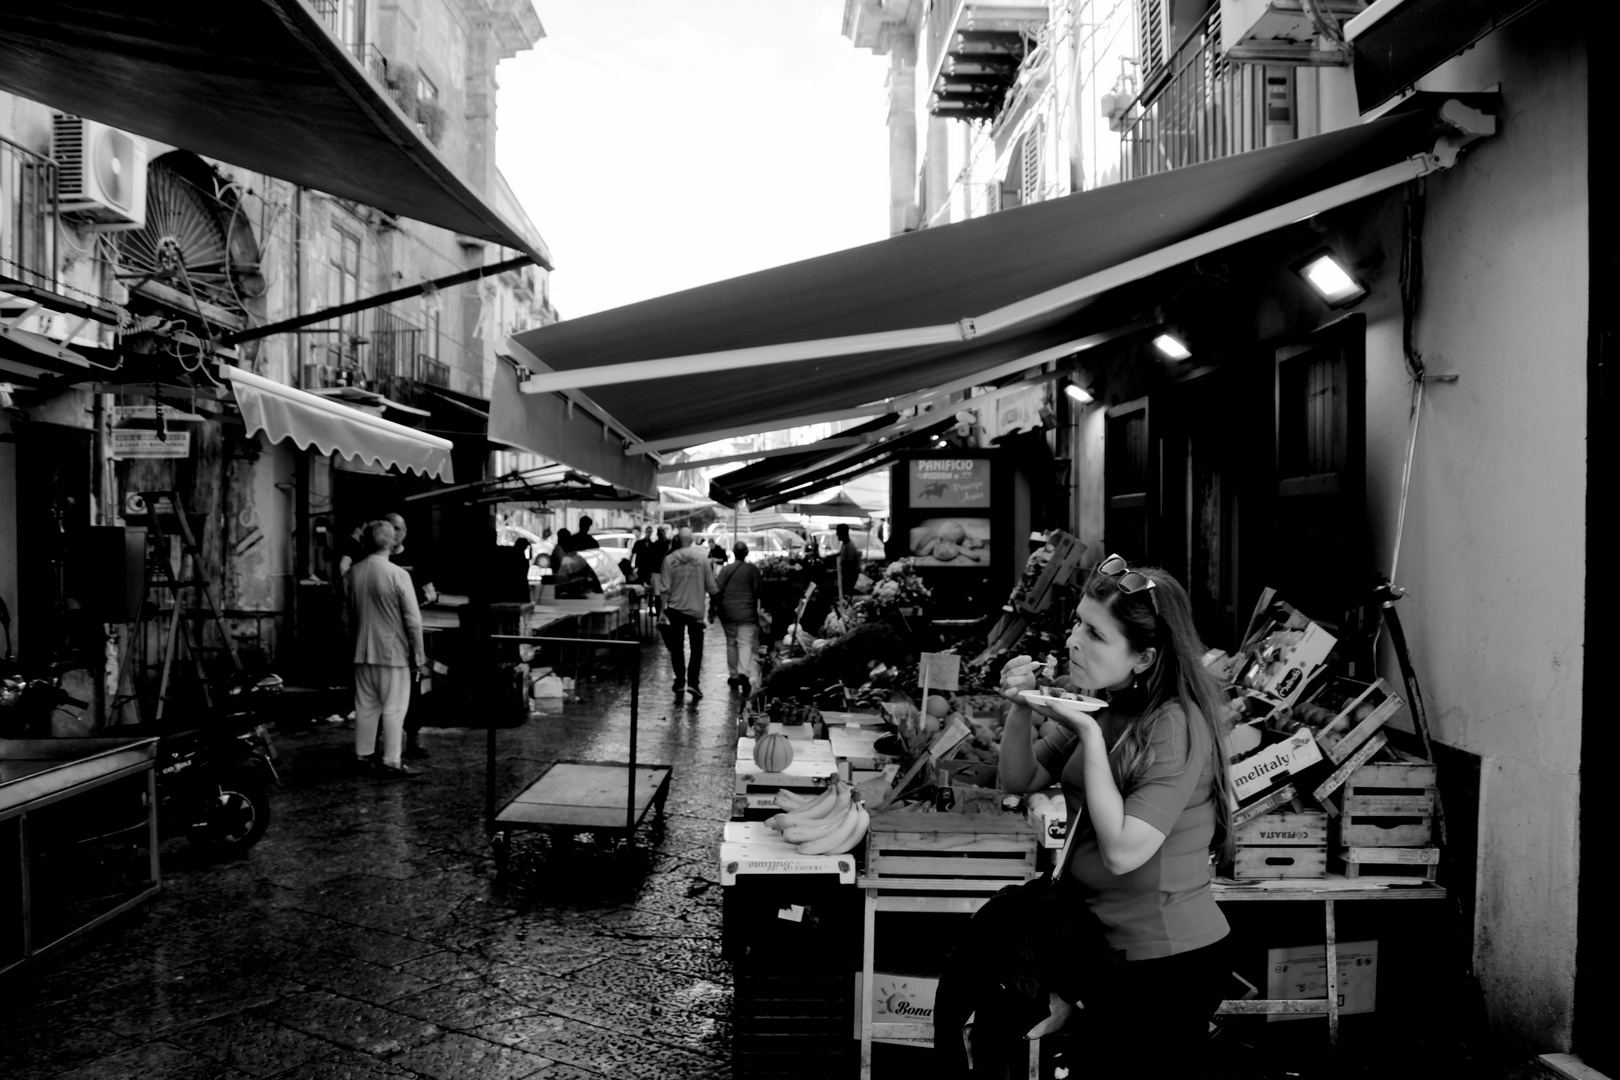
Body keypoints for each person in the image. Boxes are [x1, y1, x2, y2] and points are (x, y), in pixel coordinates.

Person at [933, 554, 1236, 1078]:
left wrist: (1090, 735)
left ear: (1143, 658)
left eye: (1095, 634)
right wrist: (1022, 708)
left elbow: (1123, 852)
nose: (1073, 640)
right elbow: (1019, 780)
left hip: (1164, 959)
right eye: (1078, 622)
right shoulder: (1105, 703)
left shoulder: (1174, 726)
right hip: (1100, 949)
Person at [342, 520, 426, 779]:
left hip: (361, 651)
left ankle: (363, 755)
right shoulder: (398, 575)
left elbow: (345, 617)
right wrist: (419, 654)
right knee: (394, 707)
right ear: (391, 542)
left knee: (366, 706)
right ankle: (391, 760)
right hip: (393, 653)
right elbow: (413, 619)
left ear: (366, 543)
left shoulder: (352, 573)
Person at [657, 527, 717, 701]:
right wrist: (714, 608)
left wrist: (662, 611)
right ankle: (693, 683)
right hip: (696, 610)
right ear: (691, 540)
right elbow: (712, 587)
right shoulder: (702, 559)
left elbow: (665, 589)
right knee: (696, 648)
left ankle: (679, 681)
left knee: (677, 648)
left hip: (675, 610)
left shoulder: (669, 560)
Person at [715, 541, 762, 695]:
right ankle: (744, 673)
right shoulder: (753, 570)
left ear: (734, 553)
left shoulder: (725, 570)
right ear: (746, 553)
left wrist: (712, 610)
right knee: (745, 643)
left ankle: (734, 675)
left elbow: (717, 591)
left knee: (731, 643)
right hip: (747, 613)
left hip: (728, 612)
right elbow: (758, 591)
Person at [835, 523, 861, 602]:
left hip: (850, 579)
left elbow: (848, 566)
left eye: (838, 532)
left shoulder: (850, 546)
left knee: (847, 598)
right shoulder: (844, 544)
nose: (837, 534)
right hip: (846, 578)